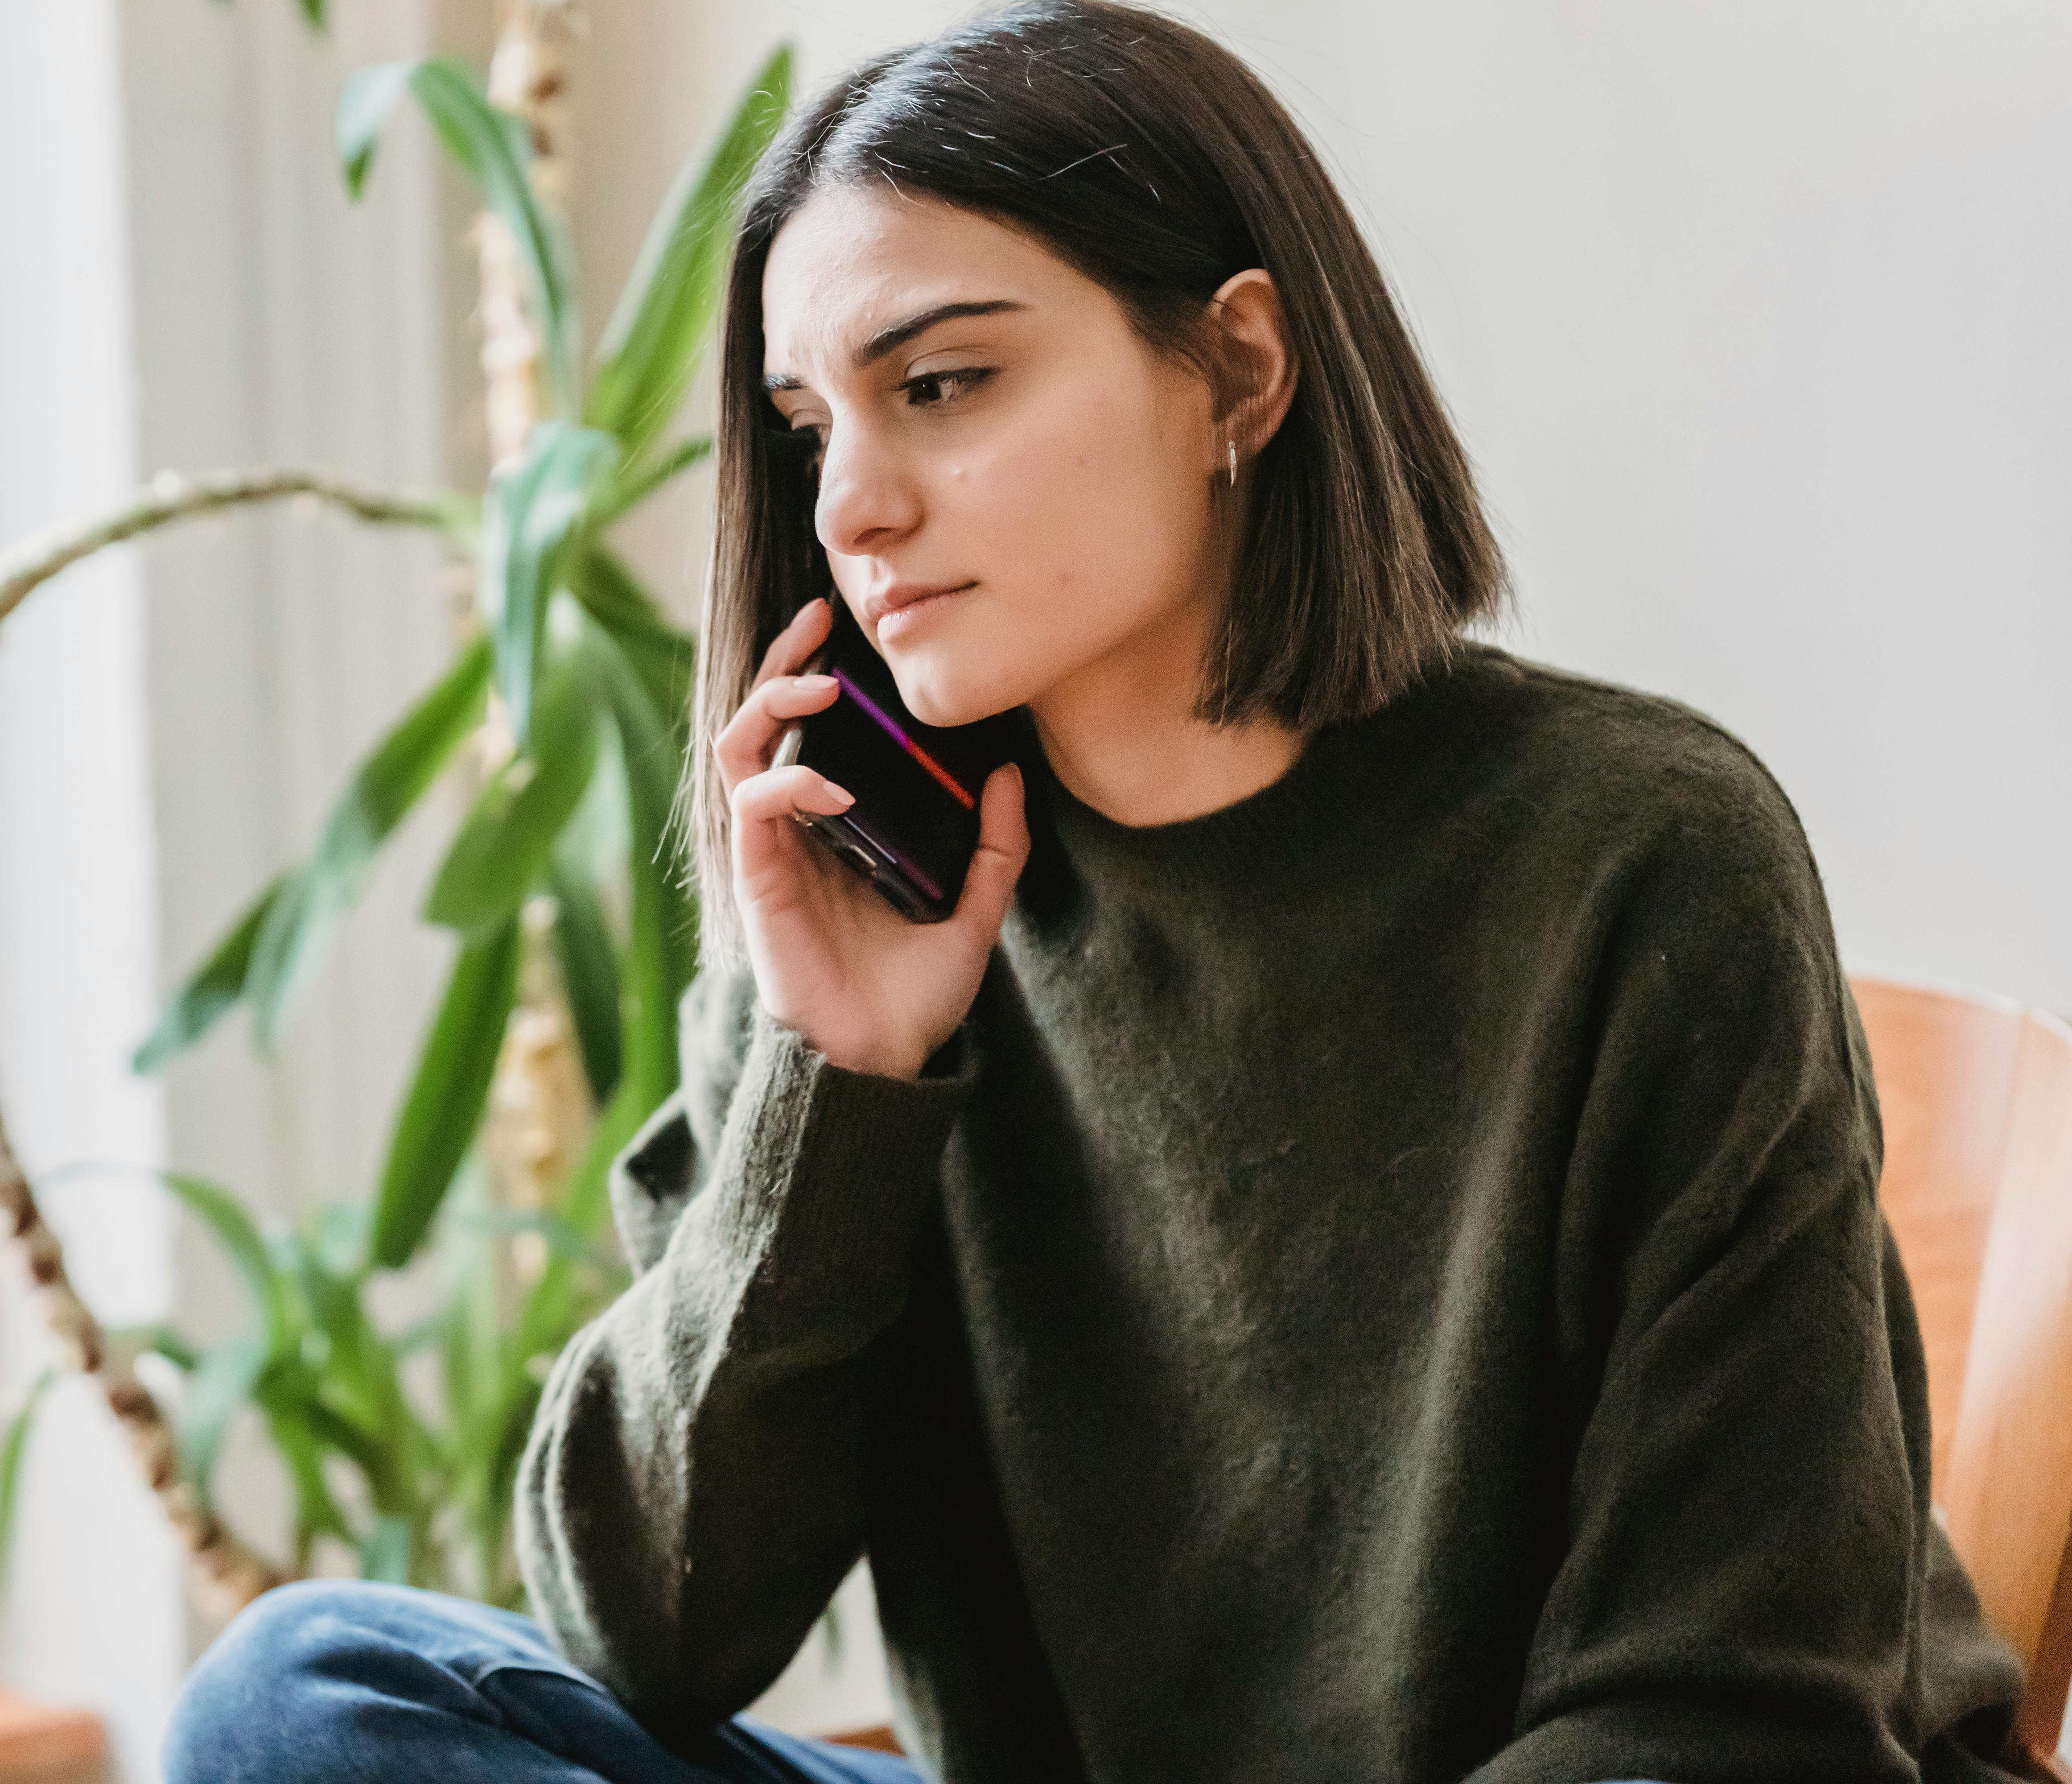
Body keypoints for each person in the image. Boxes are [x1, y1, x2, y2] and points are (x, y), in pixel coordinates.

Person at [162, 4, 2036, 1780]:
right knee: (299, 1703)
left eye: (945, 383)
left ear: (1237, 367)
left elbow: (1720, 1717)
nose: (851, 509)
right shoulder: (868, 894)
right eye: (814, 427)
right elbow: (649, 1628)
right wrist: (842, 1085)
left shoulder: (1641, 854)